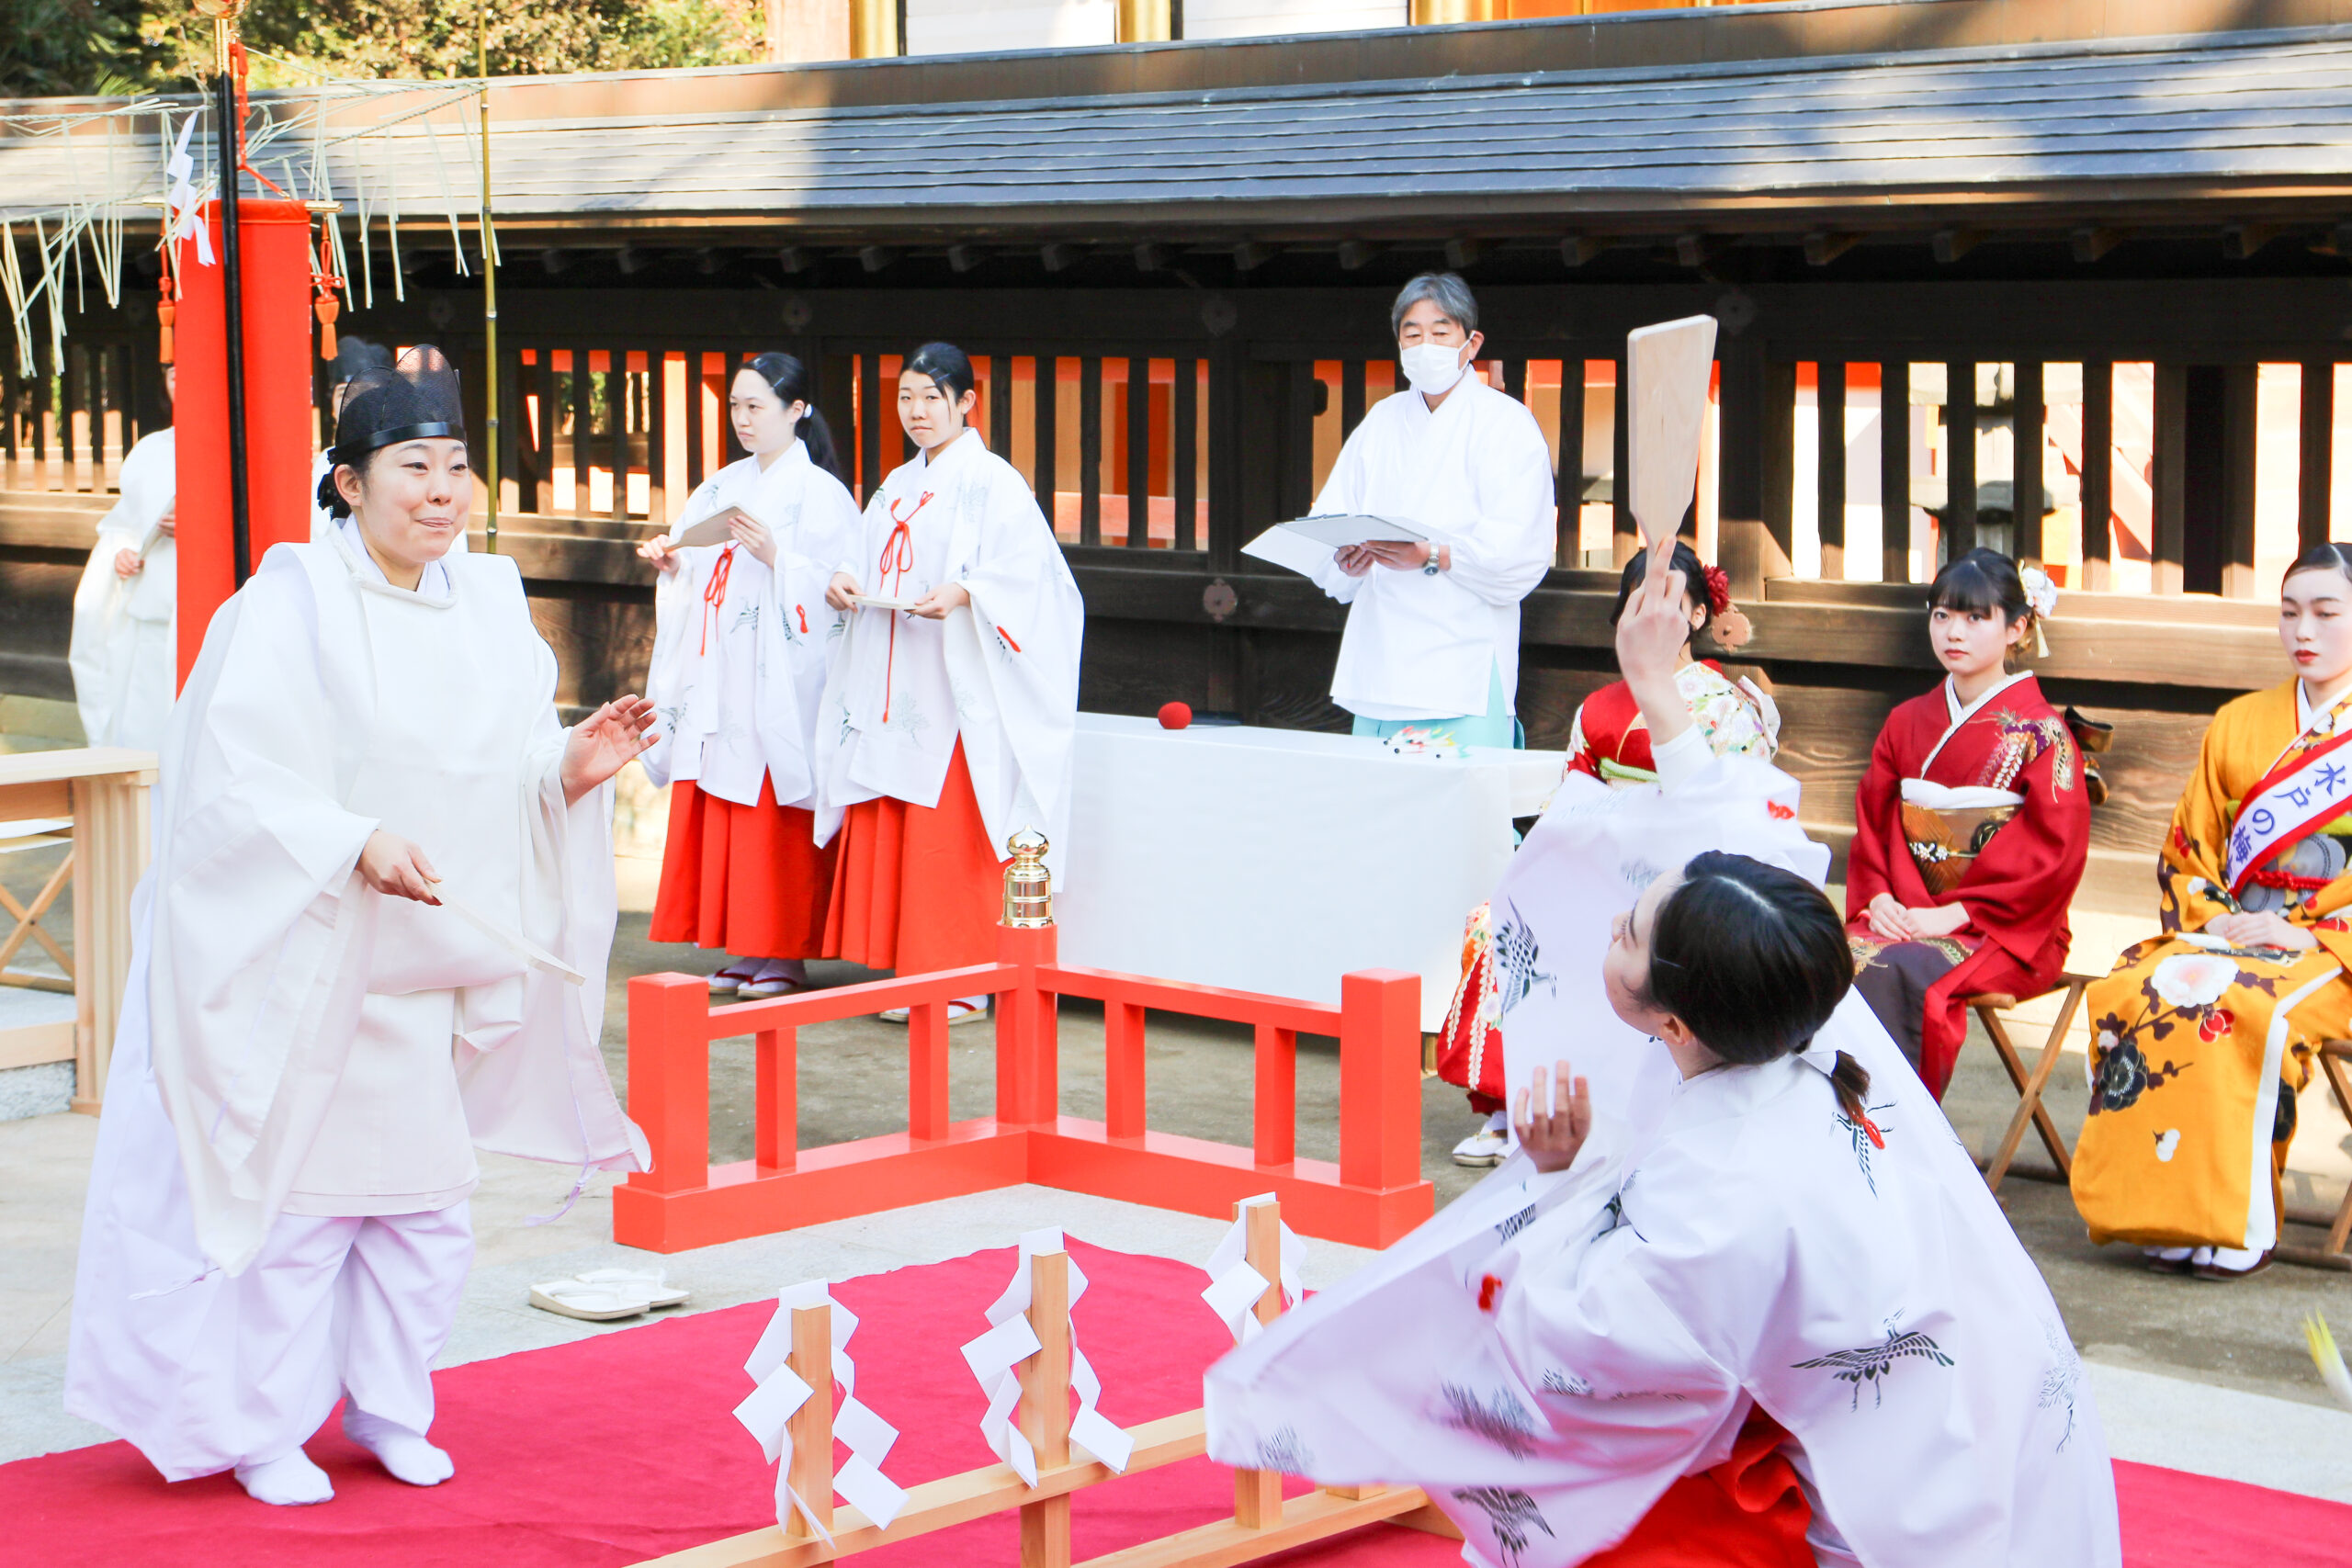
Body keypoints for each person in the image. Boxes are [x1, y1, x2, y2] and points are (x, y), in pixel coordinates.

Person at [1203, 535, 2121, 1567]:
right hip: (1923, 1432)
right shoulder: (1810, 1030)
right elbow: (1736, 837)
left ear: (1671, 1019)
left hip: (1805, 1488)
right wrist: (1654, 686)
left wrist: (1534, 1218)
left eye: (1629, 929)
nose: (1610, 924)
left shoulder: (1717, 1187)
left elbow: (1584, 1358)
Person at [66, 346, 654, 1506]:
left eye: (456, 467)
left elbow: (500, 769)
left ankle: (391, 1407)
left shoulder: (489, 606)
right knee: (296, 1228)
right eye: (411, 467)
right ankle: (266, 1427)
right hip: (313, 964)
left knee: (424, 1222)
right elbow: (236, 780)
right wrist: (352, 840)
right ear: (349, 482)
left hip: (427, 973)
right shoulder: (286, 605)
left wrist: (568, 770)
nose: (441, 491)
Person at [1438, 539, 1777, 1166]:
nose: (1646, 617)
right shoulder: (1596, 706)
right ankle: (1514, 1104)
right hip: (1599, 863)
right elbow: (1571, 799)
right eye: (1634, 605)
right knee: (1501, 919)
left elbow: (1734, 808)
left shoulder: (1729, 705)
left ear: (1697, 616)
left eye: (1665, 603)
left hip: (1686, 876)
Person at [2073, 542, 2352, 1280]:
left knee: (2244, 1007)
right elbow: (2189, 848)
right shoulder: (2239, 722)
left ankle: (2235, 1222)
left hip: (2329, 951)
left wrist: (2301, 930)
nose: (2305, 631)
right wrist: (2217, 918)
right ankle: (2159, 1209)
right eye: (2291, 613)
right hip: (2232, 929)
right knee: (2146, 989)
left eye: (2327, 613)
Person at [815, 343, 1083, 1022]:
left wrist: (966, 590)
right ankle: (911, 970)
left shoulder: (995, 480)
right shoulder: (895, 484)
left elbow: (1033, 575)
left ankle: (961, 974)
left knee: (950, 825)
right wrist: (846, 578)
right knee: (901, 809)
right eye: (906, 396)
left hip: (957, 673)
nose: (916, 410)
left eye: (932, 396)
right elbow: (866, 549)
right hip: (901, 662)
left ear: (967, 401)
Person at [638, 354, 861, 998]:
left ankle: (783, 951)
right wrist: (672, 564)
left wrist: (779, 559)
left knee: (772, 806)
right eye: (735, 405)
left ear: (797, 411)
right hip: (722, 669)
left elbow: (842, 587)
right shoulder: (718, 487)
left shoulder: (822, 493)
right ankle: (742, 944)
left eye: (756, 405)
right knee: (724, 799)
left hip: (779, 677)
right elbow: (698, 569)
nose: (742, 418)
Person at [1845, 548, 2087, 1097]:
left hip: (2006, 928)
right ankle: (1824, 1128)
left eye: (1976, 617)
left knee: (1901, 971)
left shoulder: (2044, 735)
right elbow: (1873, 820)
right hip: (1904, 913)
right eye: (1942, 615)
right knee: (1823, 959)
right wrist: (1877, 898)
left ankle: (1894, 1134)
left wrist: (1954, 914)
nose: (1955, 631)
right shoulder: (1906, 721)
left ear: (2017, 627)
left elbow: (2055, 855)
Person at [1305, 272, 1555, 748]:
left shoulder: (1507, 423)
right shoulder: (1381, 420)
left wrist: (1432, 553)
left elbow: (1520, 549)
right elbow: (1331, 518)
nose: (1426, 345)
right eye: (1412, 334)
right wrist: (1345, 558)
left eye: (1441, 333)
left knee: (1458, 816)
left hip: (1463, 665)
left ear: (1471, 341)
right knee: (1376, 814)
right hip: (1381, 663)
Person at [68, 363, 177, 752]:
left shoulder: (235, 443)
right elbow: (123, 523)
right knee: (145, 729)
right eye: (171, 372)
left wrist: (202, 526)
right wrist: (120, 552)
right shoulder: (150, 450)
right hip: (151, 611)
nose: (179, 378)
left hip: (203, 609)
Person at [309, 337, 409, 544]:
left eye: (363, 394)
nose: (351, 403)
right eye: (341, 394)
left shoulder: (409, 458)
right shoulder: (319, 464)